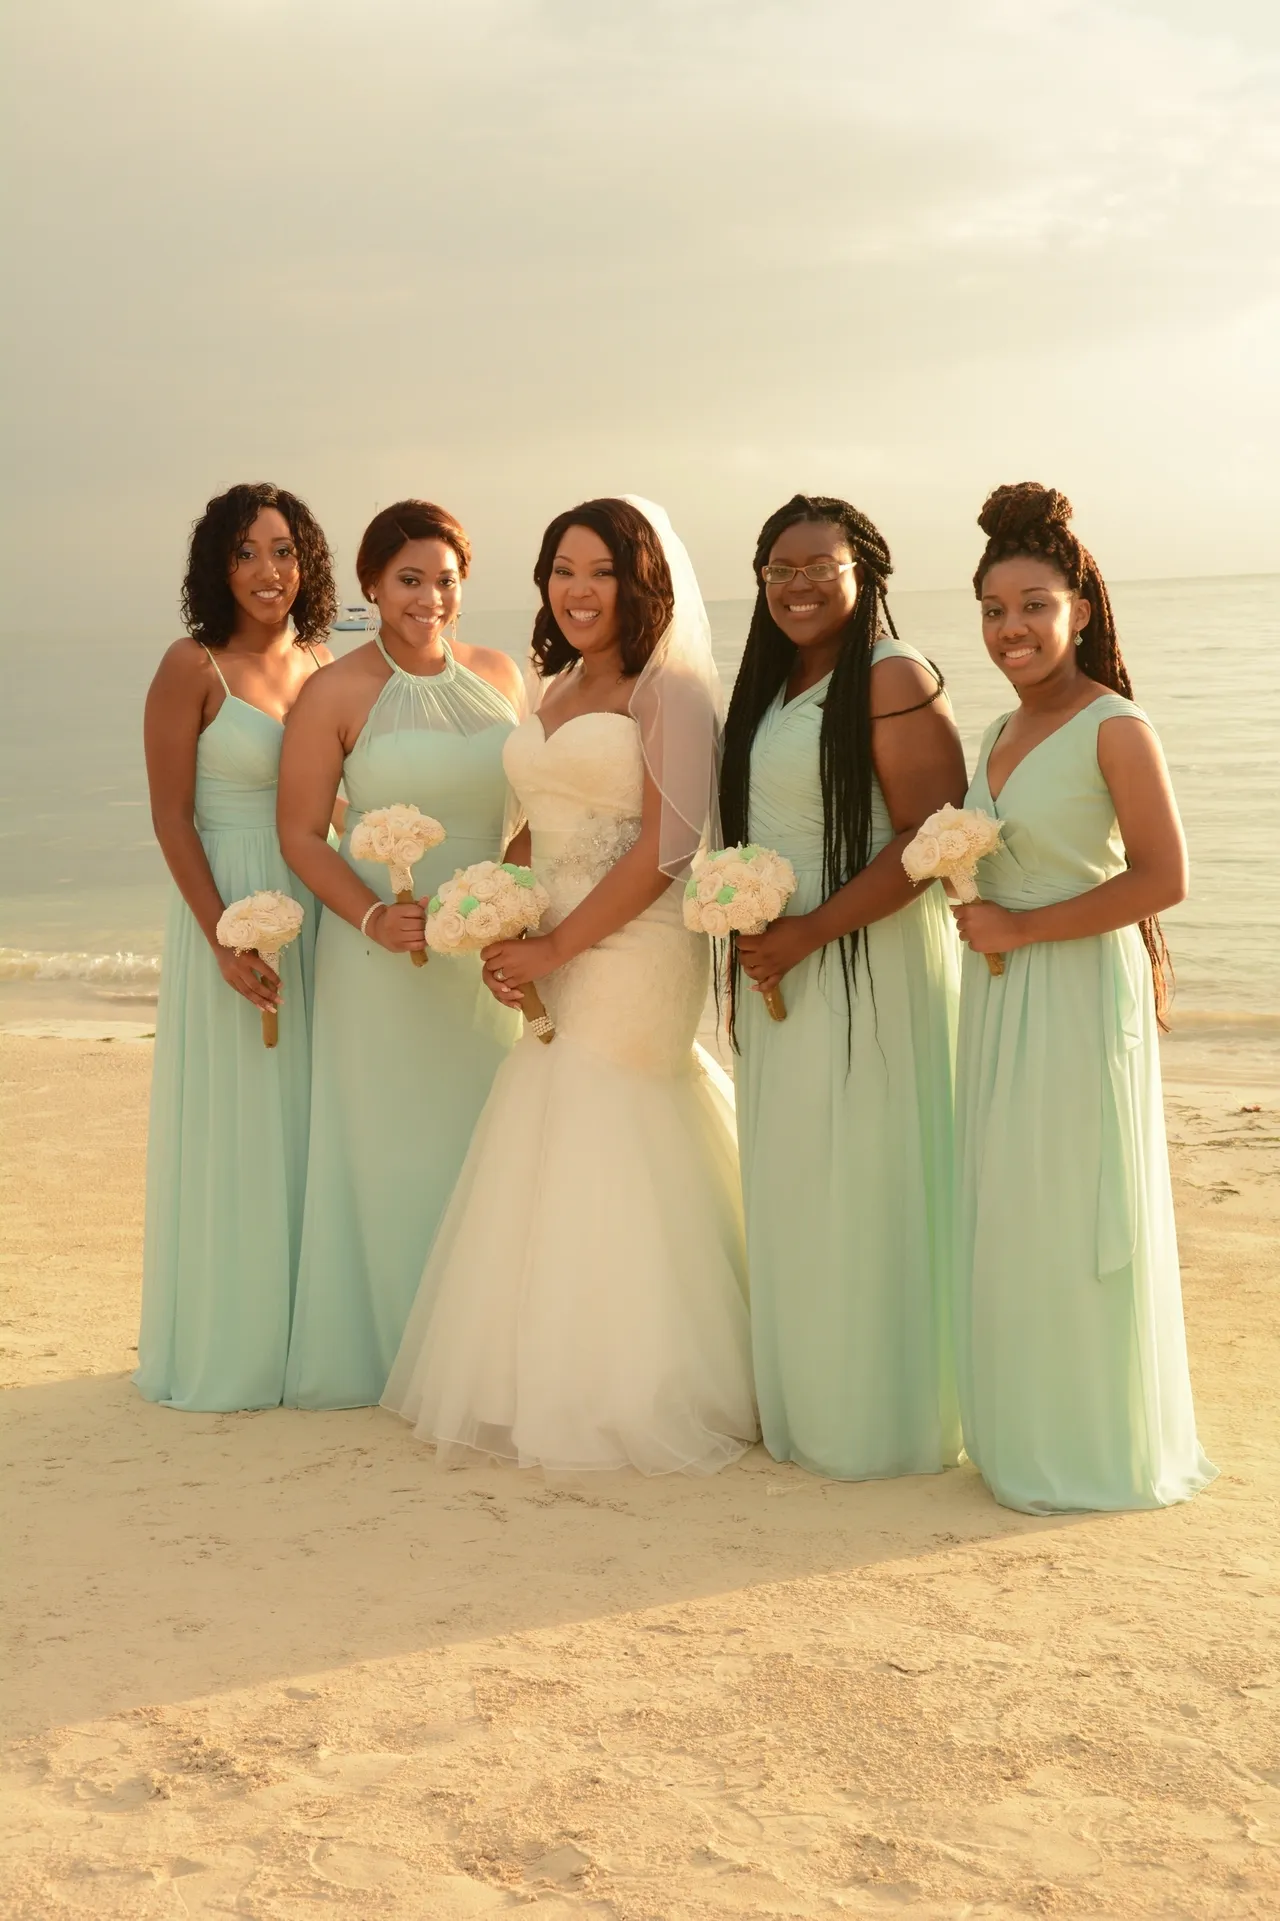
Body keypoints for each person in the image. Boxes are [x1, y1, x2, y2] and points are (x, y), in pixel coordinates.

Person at [382, 497, 757, 1474]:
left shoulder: (665, 692)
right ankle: (545, 1374)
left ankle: (644, 1385)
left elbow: (668, 848)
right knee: (552, 1125)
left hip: (635, 941)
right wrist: (498, 903)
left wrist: (557, 948)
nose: (577, 589)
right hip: (550, 930)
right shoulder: (548, 684)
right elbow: (536, 819)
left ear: (642, 583)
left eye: (599, 571)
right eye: (561, 569)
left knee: (612, 1115)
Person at [952, 481, 1217, 1514]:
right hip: (999, 995)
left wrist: (1021, 926)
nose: (1008, 628)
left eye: (1029, 605)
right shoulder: (994, 733)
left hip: (1072, 993)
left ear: (1079, 610)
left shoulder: (1115, 727)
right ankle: (1019, 1426)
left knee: (1075, 1208)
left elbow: (1161, 879)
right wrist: (972, 903)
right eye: (989, 610)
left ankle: (1088, 1442)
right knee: (1012, 1208)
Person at [721, 493, 967, 1480]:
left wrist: (809, 932)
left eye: (818, 566)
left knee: (864, 1183)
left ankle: (877, 1423)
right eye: (777, 570)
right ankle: (808, 1406)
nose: (795, 586)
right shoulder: (776, 684)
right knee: (796, 1183)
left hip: (864, 968)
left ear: (866, 569)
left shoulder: (891, 674)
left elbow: (930, 832)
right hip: (780, 971)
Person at [277, 500, 524, 1409]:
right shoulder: (335, 691)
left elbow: (536, 808)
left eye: (446, 580)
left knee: (487, 1142)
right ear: (373, 585)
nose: (430, 598)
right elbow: (302, 834)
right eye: (410, 580)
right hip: (382, 960)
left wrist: (513, 903)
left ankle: (482, 1350)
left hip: (488, 954)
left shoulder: (503, 673)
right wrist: (378, 919)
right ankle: (387, 1352)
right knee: (392, 1147)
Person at [137, 481, 336, 1410]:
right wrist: (222, 935)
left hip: (320, 902)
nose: (270, 571)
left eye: (286, 551)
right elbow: (172, 820)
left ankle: (313, 1337)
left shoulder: (325, 664)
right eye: (249, 552)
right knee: (241, 1118)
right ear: (218, 565)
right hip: (229, 899)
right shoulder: (192, 666)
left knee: (312, 1115)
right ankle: (235, 1343)